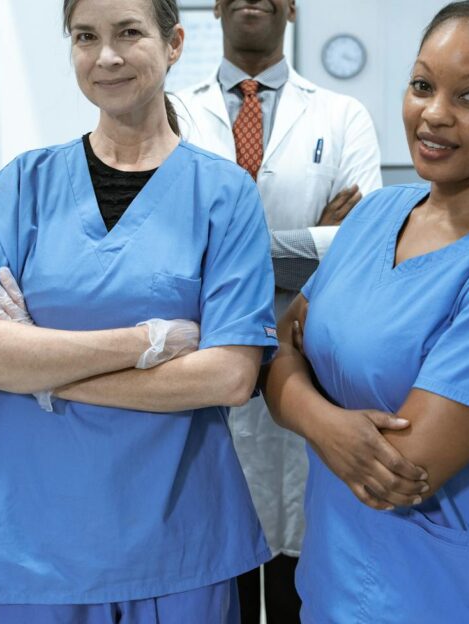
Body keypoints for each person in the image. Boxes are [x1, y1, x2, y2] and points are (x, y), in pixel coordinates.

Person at [0, 0, 279, 621]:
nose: (105, 55)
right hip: (32, 538)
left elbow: (229, 376)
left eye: (128, 33)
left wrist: (36, 363)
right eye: (85, 36)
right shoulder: (23, 184)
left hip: (175, 536)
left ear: (173, 45)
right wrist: (147, 341)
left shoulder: (224, 195)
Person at [264, 2, 469, 621]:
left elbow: (400, 471)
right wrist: (329, 423)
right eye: (423, 85)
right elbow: (276, 346)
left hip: (452, 592)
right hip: (334, 576)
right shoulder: (376, 214)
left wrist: (295, 394)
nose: (434, 114)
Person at [173, 1, 382, 620]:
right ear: (215, 4)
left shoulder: (343, 114)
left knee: (302, 568)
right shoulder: (172, 113)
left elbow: (358, 246)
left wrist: (226, 250)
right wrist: (309, 239)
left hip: (307, 361)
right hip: (204, 361)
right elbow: (167, 246)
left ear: (292, 5)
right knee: (220, 565)